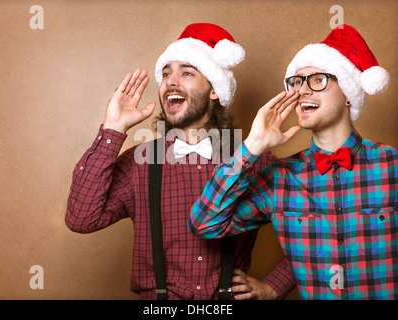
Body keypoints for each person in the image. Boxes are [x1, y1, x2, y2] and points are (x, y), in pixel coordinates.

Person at [66, 23, 296, 300]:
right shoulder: (141, 161)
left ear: (214, 90)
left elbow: (315, 229)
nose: (170, 81)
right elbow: (81, 219)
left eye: (186, 72)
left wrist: (273, 287)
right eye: (165, 74)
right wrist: (113, 129)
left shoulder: (254, 159)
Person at [189, 24, 397, 299]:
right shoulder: (280, 177)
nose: (302, 91)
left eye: (317, 80)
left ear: (348, 93)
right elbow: (204, 223)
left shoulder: (392, 165)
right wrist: (252, 146)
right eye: (296, 82)